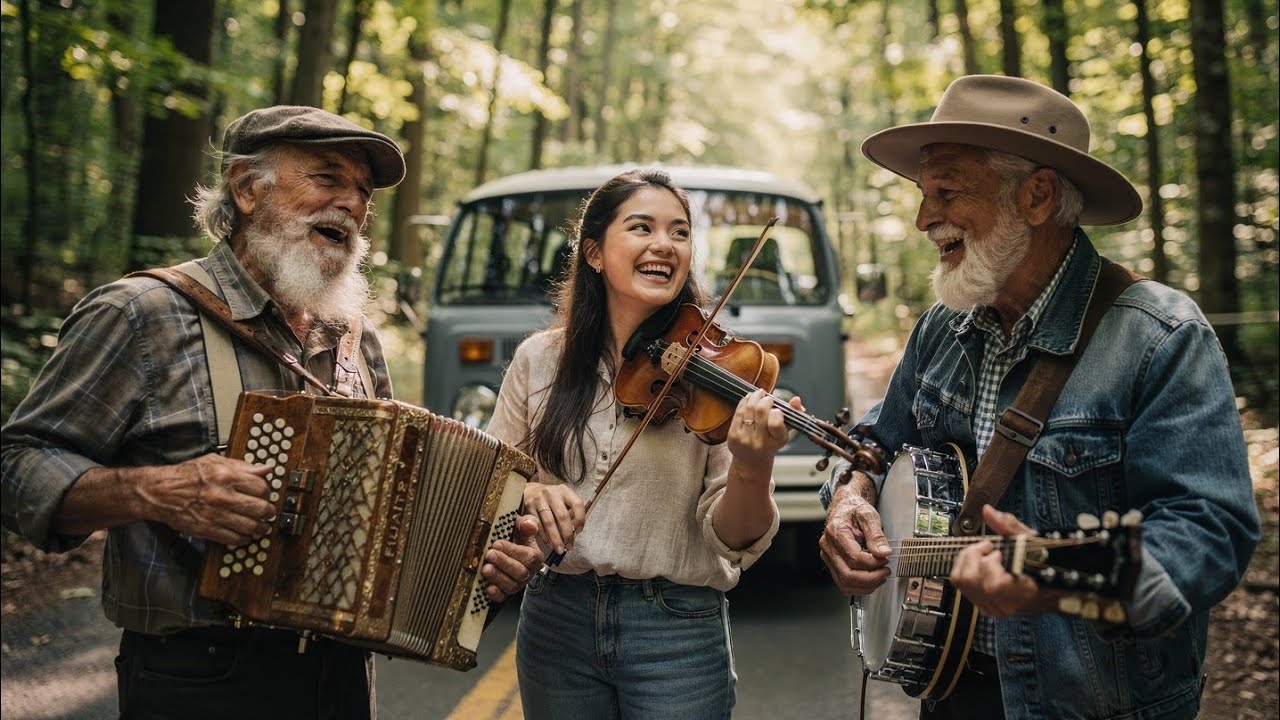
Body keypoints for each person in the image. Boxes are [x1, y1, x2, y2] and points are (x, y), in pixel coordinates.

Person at [0, 105, 544, 720]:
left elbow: (400, 520)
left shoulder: (352, 337)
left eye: (362, 192)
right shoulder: (141, 313)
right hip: (199, 680)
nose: (352, 205)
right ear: (246, 188)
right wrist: (155, 491)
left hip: (341, 677)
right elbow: (17, 467)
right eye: (327, 178)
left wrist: (480, 564)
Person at [817, 75, 1260, 719]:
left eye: (946, 192)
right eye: (922, 193)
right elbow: (875, 443)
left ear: (1037, 195)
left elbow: (1209, 532)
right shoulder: (943, 327)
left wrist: (1055, 585)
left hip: (1096, 703)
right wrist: (848, 497)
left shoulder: (1161, 337)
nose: (922, 219)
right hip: (952, 690)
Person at [485, 168, 799, 719]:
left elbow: (733, 539)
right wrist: (533, 491)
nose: (664, 244)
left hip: (675, 629)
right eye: (641, 227)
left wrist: (754, 465)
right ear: (594, 253)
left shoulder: (717, 373)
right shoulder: (539, 359)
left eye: (679, 232)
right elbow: (486, 483)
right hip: (555, 618)